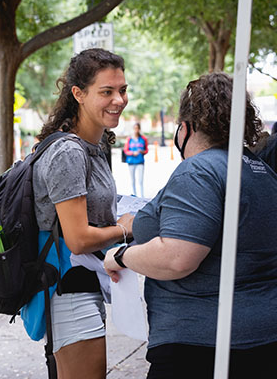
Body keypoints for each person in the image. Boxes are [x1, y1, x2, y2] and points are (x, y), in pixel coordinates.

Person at [104, 72, 277, 379]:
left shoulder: (198, 171)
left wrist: (119, 257)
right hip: (259, 338)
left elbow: (177, 257)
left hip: (200, 345)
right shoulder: (258, 168)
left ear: (187, 126)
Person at [21, 48, 133, 379]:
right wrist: (125, 229)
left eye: (123, 90)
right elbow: (79, 237)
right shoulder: (69, 151)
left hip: (82, 282)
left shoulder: (94, 147)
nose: (119, 100)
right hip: (67, 288)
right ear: (78, 94)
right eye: (107, 92)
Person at [123, 122, 148, 197]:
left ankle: (142, 196)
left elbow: (146, 150)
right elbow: (126, 150)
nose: (136, 130)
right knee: (132, 180)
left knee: (140, 180)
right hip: (131, 162)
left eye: (137, 128)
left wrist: (141, 151)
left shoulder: (143, 139)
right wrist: (132, 153)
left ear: (139, 129)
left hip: (140, 161)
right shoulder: (129, 139)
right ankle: (134, 195)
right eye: (135, 128)